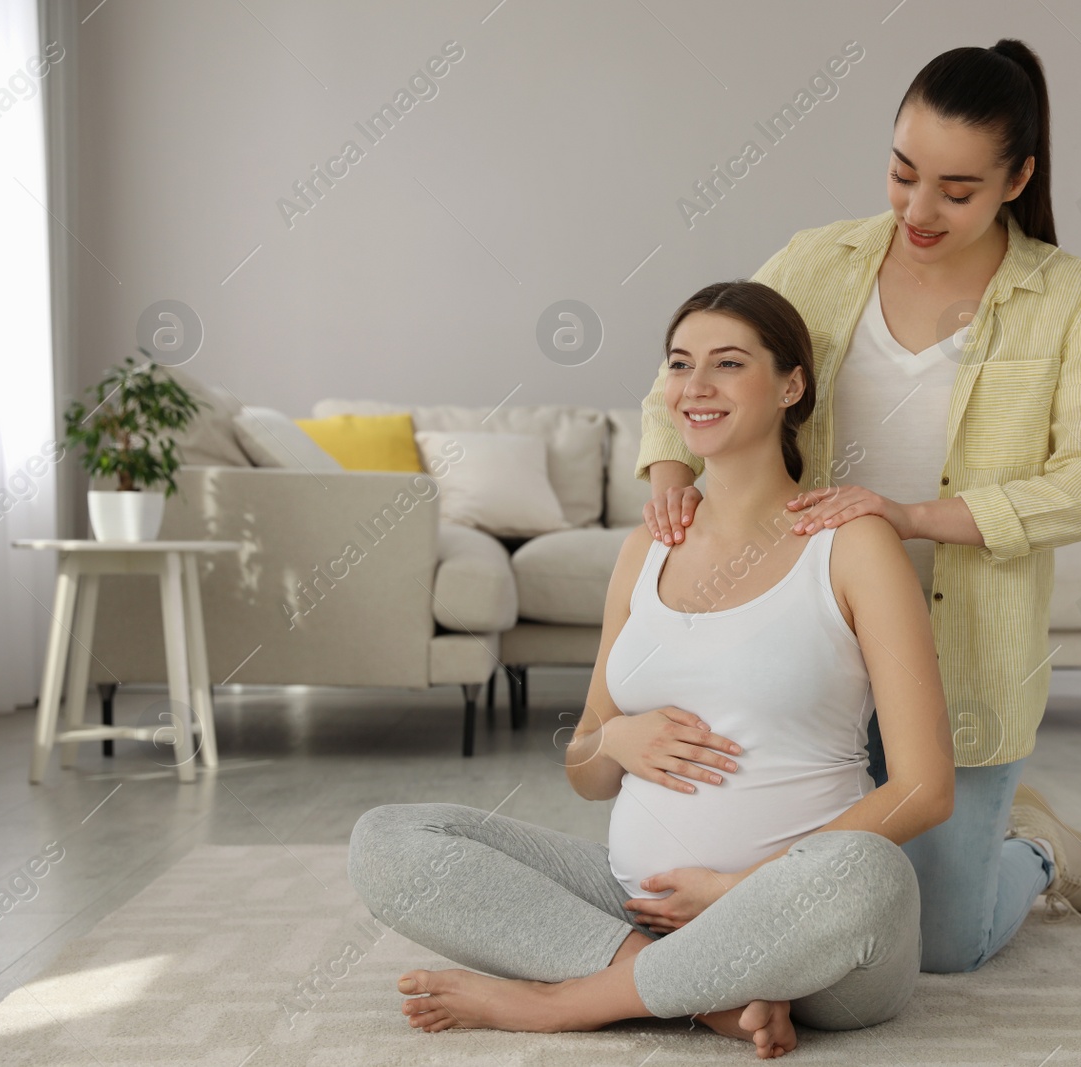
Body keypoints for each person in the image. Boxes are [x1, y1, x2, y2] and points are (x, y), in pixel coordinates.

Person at [348, 280, 955, 1057]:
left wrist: (742, 892)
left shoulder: (851, 542)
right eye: (679, 363)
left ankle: (566, 1002)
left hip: (808, 930)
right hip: (638, 901)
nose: (695, 386)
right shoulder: (646, 548)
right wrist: (618, 742)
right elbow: (586, 770)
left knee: (870, 876)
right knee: (390, 837)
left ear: (790, 385)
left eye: (728, 364)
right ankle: (701, 999)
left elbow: (923, 786)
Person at [636, 39, 1081, 974]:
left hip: (963, 654)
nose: (919, 209)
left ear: (1017, 178)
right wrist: (669, 470)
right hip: (806, 635)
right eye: (903, 174)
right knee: (778, 895)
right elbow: (696, 360)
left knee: (942, 944)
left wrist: (910, 516)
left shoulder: (1065, 298)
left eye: (956, 188)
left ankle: (1039, 849)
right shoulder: (819, 260)